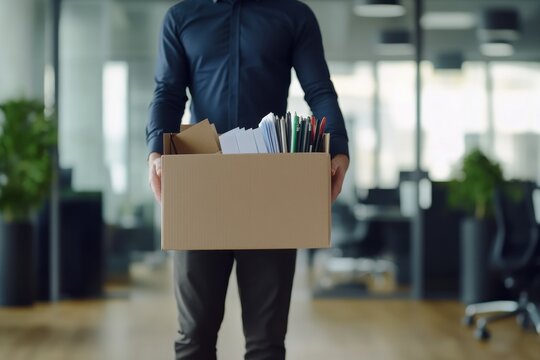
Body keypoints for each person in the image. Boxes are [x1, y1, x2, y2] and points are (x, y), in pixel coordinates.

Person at [146, 1, 349, 359]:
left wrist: (339, 152)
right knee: (193, 337)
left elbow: (318, 91)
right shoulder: (181, 18)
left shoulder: (293, 15)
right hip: (201, 187)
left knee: (266, 343)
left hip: (270, 188)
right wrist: (155, 154)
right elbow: (168, 92)